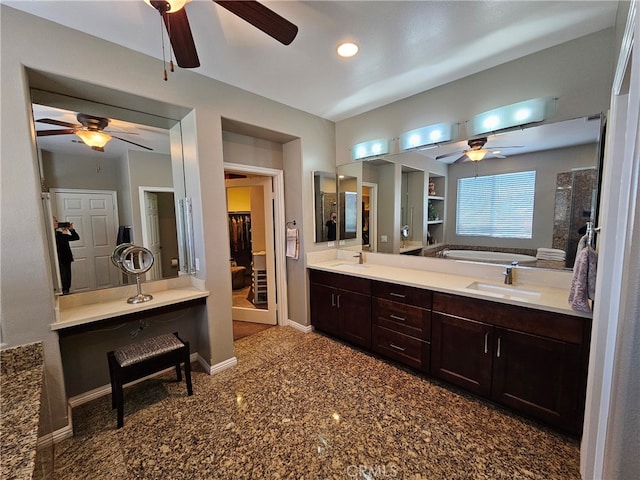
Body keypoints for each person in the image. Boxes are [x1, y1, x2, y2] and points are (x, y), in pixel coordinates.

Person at [54, 217, 80, 294]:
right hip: (57, 258)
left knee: (67, 276)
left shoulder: (61, 234)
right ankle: (61, 291)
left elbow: (75, 237)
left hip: (66, 257)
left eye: (56, 221)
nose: (56, 223)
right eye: (54, 222)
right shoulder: (50, 236)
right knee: (61, 276)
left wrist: (71, 230)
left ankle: (66, 291)